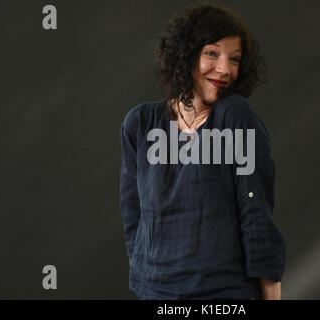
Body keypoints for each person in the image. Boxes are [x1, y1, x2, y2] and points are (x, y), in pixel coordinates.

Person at [120, 4, 285, 300]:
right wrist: (144, 275)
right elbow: (134, 213)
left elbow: (256, 213)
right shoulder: (140, 123)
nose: (225, 69)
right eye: (212, 53)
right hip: (156, 293)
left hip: (223, 294)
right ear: (185, 55)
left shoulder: (234, 116)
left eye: (234, 59)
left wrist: (271, 296)